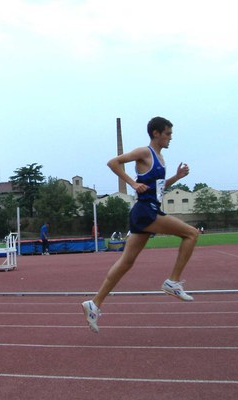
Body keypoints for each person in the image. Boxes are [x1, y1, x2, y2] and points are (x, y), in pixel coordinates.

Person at [82, 116, 199, 333]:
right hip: (146, 211)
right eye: (168, 134)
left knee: (126, 262)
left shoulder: (160, 159)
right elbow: (113, 162)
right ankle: (172, 282)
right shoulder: (145, 152)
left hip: (146, 210)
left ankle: (94, 303)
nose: (170, 138)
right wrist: (133, 183)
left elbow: (158, 188)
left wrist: (176, 177)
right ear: (156, 133)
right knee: (191, 234)